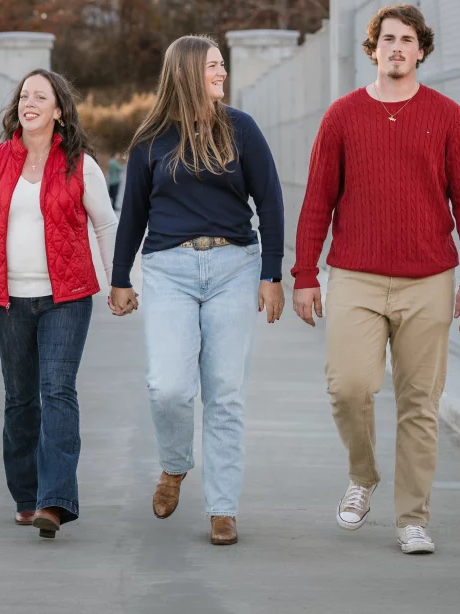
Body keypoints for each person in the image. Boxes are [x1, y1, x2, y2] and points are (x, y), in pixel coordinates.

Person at [290, 4, 460, 555]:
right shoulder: (342, 116)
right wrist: (305, 274)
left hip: (429, 278)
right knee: (349, 387)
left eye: (407, 40)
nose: (396, 48)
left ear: (421, 50)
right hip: (354, 274)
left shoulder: (447, 117)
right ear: (373, 50)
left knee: (419, 402)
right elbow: (317, 202)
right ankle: (363, 475)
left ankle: (412, 518)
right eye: (387, 39)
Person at [111, 35, 285, 546]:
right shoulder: (151, 138)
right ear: (187, 71)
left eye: (222, 65)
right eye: (212, 65)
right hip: (168, 269)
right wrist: (121, 278)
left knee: (225, 392)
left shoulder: (241, 129)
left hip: (234, 266)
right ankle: (174, 465)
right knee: (168, 386)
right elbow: (133, 215)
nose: (221, 72)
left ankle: (223, 508)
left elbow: (270, 202)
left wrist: (271, 275)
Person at [0, 69, 119, 539]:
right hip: (7, 299)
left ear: (59, 111)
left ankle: (55, 501)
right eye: (24, 95)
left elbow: (106, 225)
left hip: (66, 298)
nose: (29, 102)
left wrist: (120, 282)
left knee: (57, 390)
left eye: (39, 96)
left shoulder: (80, 164)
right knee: (20, 398)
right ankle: (27, 495)